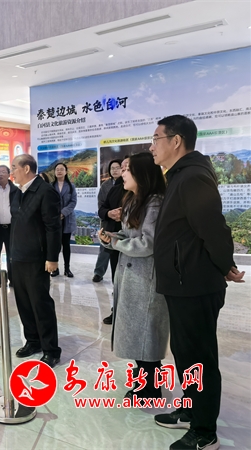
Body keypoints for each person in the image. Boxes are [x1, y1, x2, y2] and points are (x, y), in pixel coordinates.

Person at [150, 115, 244, 450]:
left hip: (194, 284)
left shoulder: (192, 177)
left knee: (198, 357)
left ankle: (205, 433)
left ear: (176, 141)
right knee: (185, 352)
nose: (152, 146)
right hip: (182, 281)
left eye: (156, 138)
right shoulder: (180, 175)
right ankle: (191, 410)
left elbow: (213, 228)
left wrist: (225, 264)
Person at [98, 152, 168, 401]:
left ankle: (151, 389)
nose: (123, 173)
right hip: (131, 275)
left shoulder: (154, 203)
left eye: (128, 169)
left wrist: (116, 243)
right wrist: (111, 237)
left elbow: (147, 243)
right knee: (138, 333)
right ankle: (144, 378)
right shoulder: (134, 199)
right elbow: (130, 236)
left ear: (142, 174)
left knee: (146, 333)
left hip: (145, 278)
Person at [10, 154, 62, 368]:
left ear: (27, 169)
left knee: (40, 304)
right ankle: (33, 341)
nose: (11, 172)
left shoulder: (45, 192)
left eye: (14, 167)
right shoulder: (18, 192)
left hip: (36, 258)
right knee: (23, 303)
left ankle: (51, 350)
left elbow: (53, 227)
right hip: (18, 256)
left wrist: (52, 257)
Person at [98, 157, 128, 325]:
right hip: (115, 238)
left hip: (134, 244)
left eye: (126, 168)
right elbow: (102, 209)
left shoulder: (146, 193)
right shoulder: (113, 189)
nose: (122, 171)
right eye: (121, 168)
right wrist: (109, 213)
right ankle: (116, 310)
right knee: (117, 277)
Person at [93, 159, 122, 283]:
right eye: (112, 168)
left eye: (117, 168)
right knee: (104, 249)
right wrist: (109, 213)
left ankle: (118, 281)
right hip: (107, 221)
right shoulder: (105, 185)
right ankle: (98, 272)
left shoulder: (127, 184)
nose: (114, 170)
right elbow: (101, 204)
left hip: (122, 223)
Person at [0, 165, 18, 287]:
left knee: (12, 255)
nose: (0, 174)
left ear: (9, 174)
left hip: (11, 228)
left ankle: (13, 279)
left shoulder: (16, 190)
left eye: (3, 172)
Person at [50, 162, 77, 277]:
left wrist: (63, 213)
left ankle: (67, 269)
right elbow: (48, 202)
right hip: (54, 219)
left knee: (66, 245)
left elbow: (73, 202)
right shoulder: (51, 186)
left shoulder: (71, 186)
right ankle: (55, 269)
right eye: (57, 169)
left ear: (66, 172)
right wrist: (56, 214)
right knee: (55, 245)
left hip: (67, 219)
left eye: (61, 169)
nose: (59, 171)